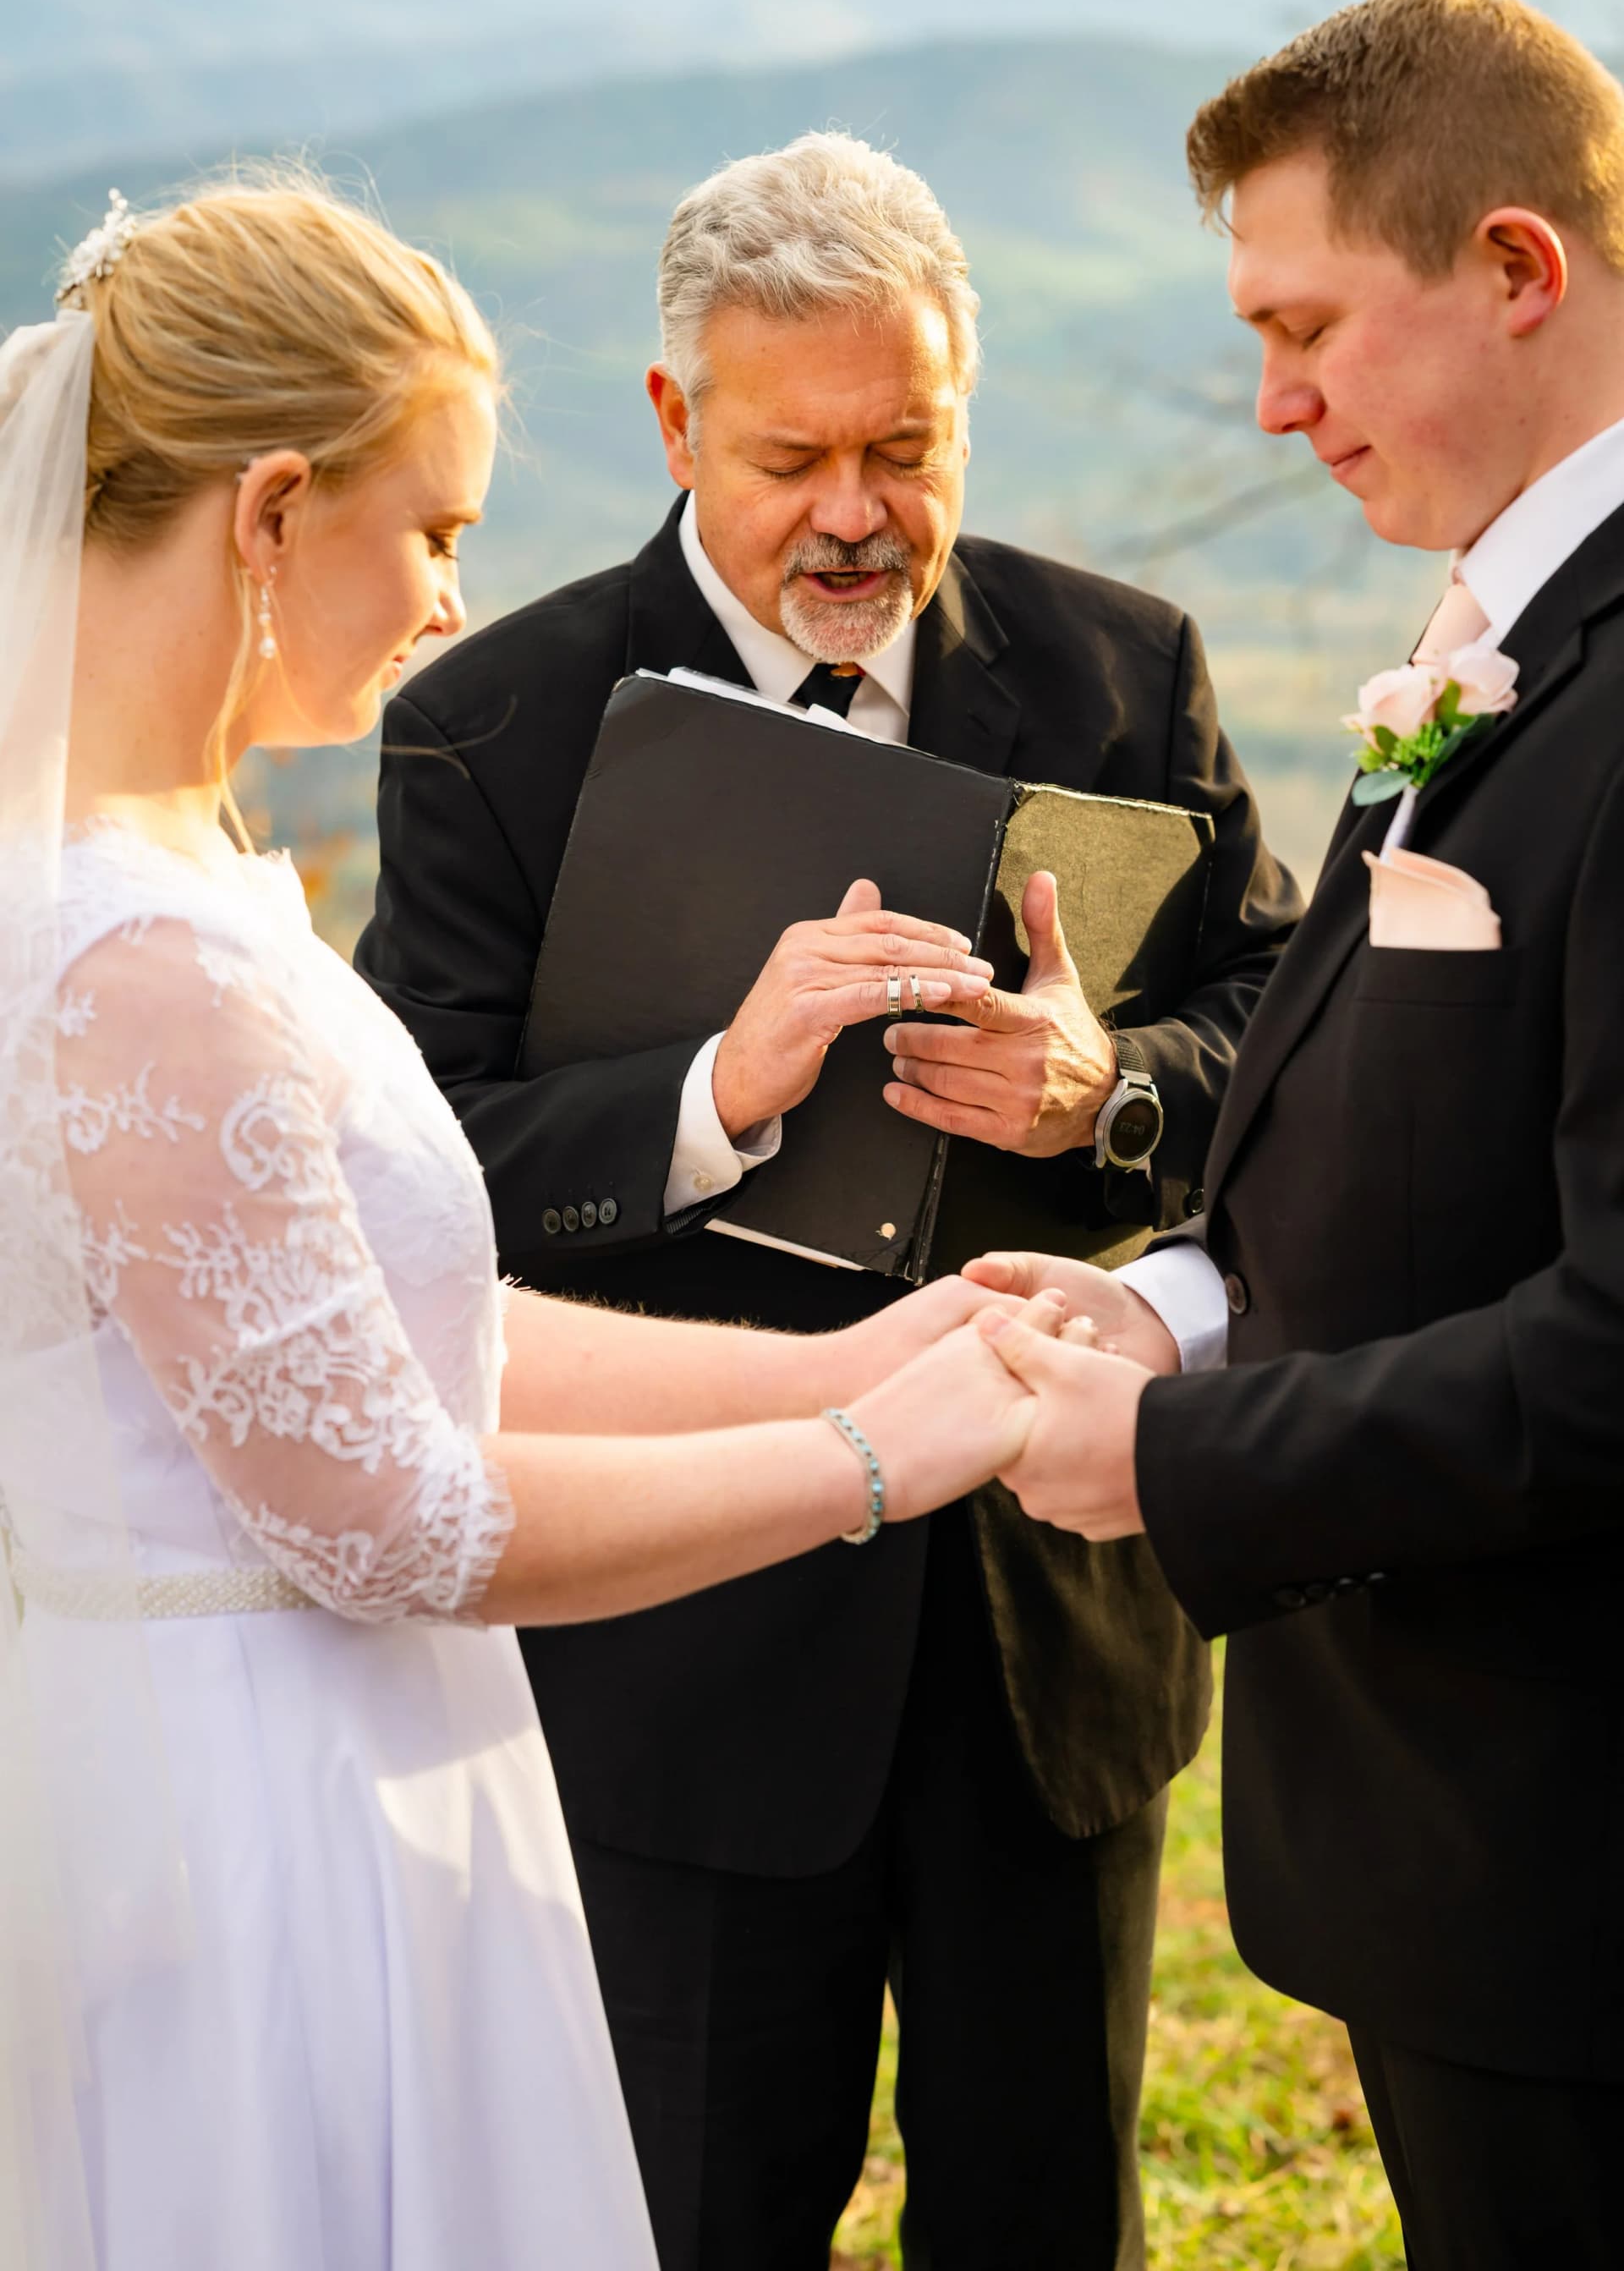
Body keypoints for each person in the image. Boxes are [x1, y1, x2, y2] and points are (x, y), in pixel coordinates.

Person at [0, 174, 1055, 2271]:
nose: (454, 600)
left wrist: (859, 1350)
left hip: (370, 1760)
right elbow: (391, 1515)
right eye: (437, 529)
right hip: (249, 1834)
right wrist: (865, 1461)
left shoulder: (188, 869)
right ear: (272, 510)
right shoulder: (130, 958)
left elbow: (418, 1325)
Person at [354, 132, 1299, 2271]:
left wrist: (1108, 1095)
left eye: (910, 443)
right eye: (798, 456)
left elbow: (1280, 1023)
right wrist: (707, 1094)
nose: (862, 512)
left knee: (1048, 2218)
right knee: (694, 2220)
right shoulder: (489, 730)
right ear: (677, 417)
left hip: (1043, 1647)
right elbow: (405, 1174)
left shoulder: (1119, 670)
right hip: (677, 1672)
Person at [970, 0, 1624, 2271]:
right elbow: (1405, 1128)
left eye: (1310, 322)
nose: (1277, 402)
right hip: (1465, 1857)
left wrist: (1170, 1469)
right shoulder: (1492, 632)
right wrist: (1172, 1308)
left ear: (1519, 270)